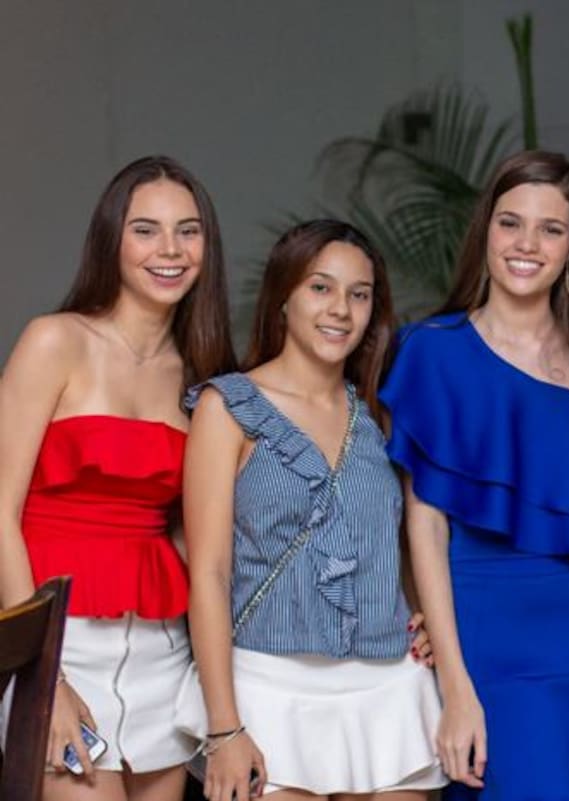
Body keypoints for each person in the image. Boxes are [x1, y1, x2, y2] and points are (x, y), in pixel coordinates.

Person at [381, 150, 569, 801]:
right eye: (511, 223)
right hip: (488, 637)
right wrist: (455, 684)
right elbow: (424, 528)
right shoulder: (432, 350)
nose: (527, 244)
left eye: (551, 228)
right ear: (486, 231)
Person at [180, 220, 444, 801]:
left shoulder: (381, 412)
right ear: (283, 298)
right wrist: (224, 726)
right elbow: (208, 573)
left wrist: (423, 610)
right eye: (320, 288)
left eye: (360, 293)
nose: (341, 310)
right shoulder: (227, 408)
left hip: (387, 688)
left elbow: (408, 537)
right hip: (266, 687)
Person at [0, 155, 236, 800]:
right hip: (59, 642)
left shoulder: (203, 371)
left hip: (162, 649)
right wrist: (41, 675)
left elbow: (204, 537)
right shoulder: (55, 341)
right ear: (112, 240)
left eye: (188, 231)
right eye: (146, 229)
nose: (170, 249)